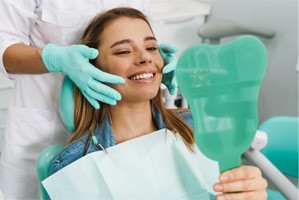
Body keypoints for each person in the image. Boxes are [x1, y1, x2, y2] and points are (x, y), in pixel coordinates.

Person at [49, 7, 268, 200]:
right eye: (124, 51)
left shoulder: (199, 128)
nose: (145, 58)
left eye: (151, 48)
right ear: (93, 69)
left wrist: (246, 192)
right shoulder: (77, 165)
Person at [0, 0, 178, 199]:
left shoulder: (187, 134)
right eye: (122, 52)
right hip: (42, 127)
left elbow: (134, 30)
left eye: (151, 48)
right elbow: (4, 45)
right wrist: (54, 58)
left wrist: (150, 59)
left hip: (120, 124)